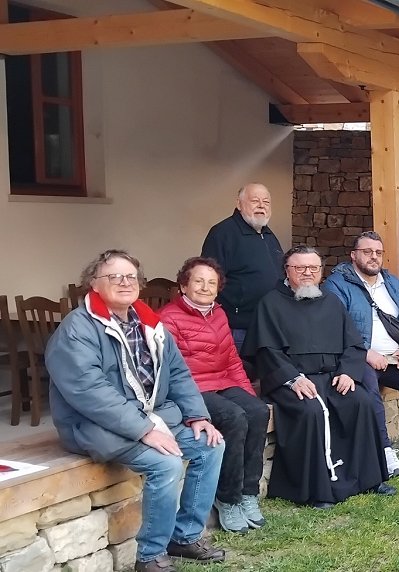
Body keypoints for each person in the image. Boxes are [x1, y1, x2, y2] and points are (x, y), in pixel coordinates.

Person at [46, 250, 226, 572]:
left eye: (131, 276)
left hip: (150, 418)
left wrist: (197, 415)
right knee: (166, 464)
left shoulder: (150, 323)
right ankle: (151, 556)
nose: (125, 282)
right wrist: (144, 430)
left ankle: (184, 537)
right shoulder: (78, 328)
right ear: (93, 284)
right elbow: (89, 391)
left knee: (210, 446)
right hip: (95, 426)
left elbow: (178, 373)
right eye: (114, 276)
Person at [243, 246, 393, 508]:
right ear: (287, 271)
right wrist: (293, 379)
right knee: (310, 411)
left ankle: (369, 478)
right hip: (292, 381)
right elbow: (266, 351)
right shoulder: (270, 304)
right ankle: (316, 490)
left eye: (313, 268)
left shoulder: (331, 302)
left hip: (333, 377)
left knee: (362, 402)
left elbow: (353, 344)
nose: (307, 273)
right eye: (300, 268)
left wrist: (348, 372)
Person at [159, 258, 270, 534]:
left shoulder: (219, 314)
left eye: (211, 282)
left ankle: (248, 493)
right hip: (191, 388)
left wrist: (247, 394)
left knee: (257, 411)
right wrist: (191, 408)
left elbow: (232, 359)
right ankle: (228, 498)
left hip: (222, 381)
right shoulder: (168, 318)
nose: (205, 287)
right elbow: (169, 371)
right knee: (234, 417)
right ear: (183, 286)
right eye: (198, 281)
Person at [326, 231, 399, 468]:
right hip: (359, 358)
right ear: (353, 255)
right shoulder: (337, 284)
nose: (373, 256)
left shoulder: (391, 282)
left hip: (395, 356)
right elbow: (335, 326)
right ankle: (384, 450)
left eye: (378, 252)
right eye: (367, 252)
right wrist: (365, 352)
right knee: (370, 392)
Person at [201, 183, 285, 349]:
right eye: (255, 201)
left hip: (269, 326)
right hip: (238, 328)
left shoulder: (269, 235)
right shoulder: (223, 233)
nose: (261, 205)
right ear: (239, 204)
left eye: (266, 202)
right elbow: (209, 278)